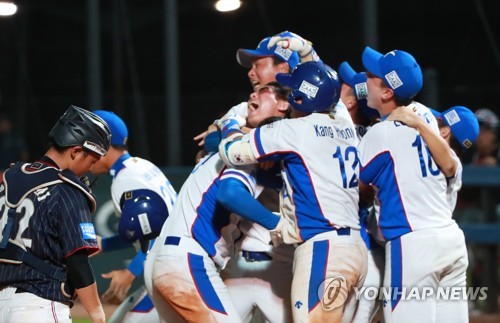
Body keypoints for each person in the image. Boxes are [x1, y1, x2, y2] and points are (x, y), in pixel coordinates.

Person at [218, 61, 368, 323]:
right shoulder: (344, 123)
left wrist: (231, 123)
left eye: (291, 92)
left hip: (323, 249)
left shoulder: (292, 130)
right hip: (355, 249)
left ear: (299, 98)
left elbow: (230, 151)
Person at [145, 82, 292, 322]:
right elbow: (230, 194)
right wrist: (276, 223)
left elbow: (213, 142)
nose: (253, 93)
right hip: (187, 260)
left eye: (264, 91)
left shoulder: (233, 143)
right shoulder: (245, 150)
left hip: (162, 258)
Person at [194, 31, 307, 323]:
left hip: (287, 258)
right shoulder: (248, 106)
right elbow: (211, 142)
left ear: (283, 67)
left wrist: (264, 147)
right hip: (240, 260)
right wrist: (257, 143)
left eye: (259, 63)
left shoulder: (306, 110)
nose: (251, 72)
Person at [357, 47, 469, 322]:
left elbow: (355, 189)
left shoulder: (379, 134)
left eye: (372, 75)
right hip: (450, 240)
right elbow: (452, 166)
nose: (365, 78)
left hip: (414, 245)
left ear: (387, 93)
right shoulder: (424, 115)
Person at [0, 105, 111, 323]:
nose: (91, 168)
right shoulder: (66, 189)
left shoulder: (10, 177)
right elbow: (78, 261)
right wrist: (97, 313)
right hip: (38, 305)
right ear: (76, 151)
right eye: (92, 159)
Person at [90, 110, 177, 323]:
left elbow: (161, 233)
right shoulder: (141, 166)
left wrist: (129, 273)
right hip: (174, 263)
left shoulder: (125, 180)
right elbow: (146, 230)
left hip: (172, 270)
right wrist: (106, 244)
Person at [337, 61, 385, 323]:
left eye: (344, 85)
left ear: (353, 102)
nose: (337, 87)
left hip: (354, 242)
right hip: (371, 246)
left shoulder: (341, 133)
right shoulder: (374, 134)